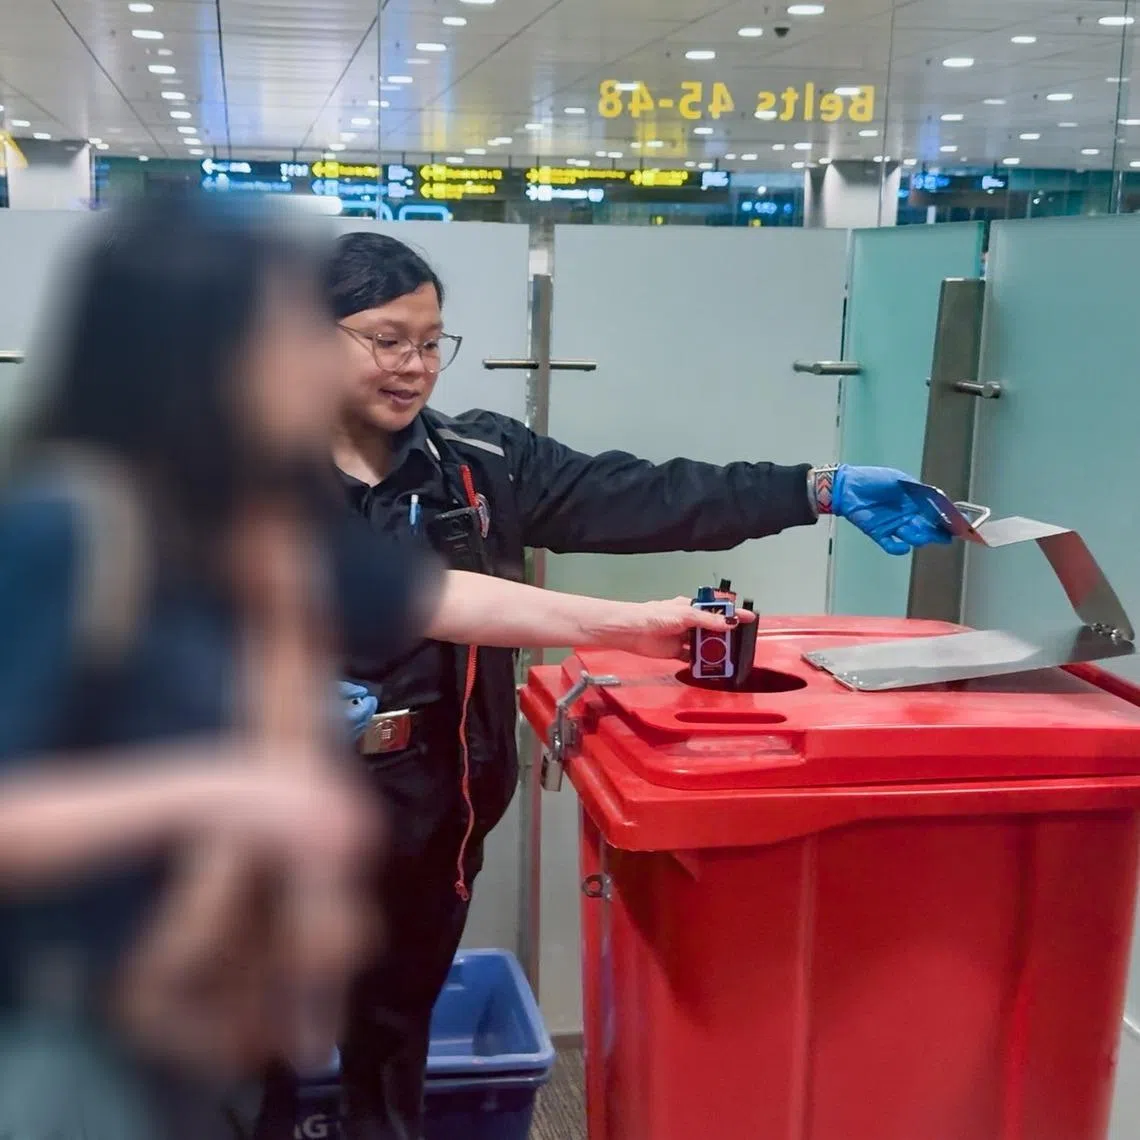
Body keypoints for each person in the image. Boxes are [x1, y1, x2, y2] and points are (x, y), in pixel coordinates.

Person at [0, 201, 741, 1140]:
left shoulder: (243, 511)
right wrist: (220, 786)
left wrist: (637, 625)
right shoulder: (68, 525)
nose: (405, 366)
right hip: (76, 1008)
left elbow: (437, 598)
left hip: (198, 973)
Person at [324, 231, 953, 1138]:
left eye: (431, 341)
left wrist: (813, 488)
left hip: (434, 812)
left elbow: (649, 494)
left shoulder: (475, 461)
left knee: (390, 1039)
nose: (416, 366)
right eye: (388, 340)